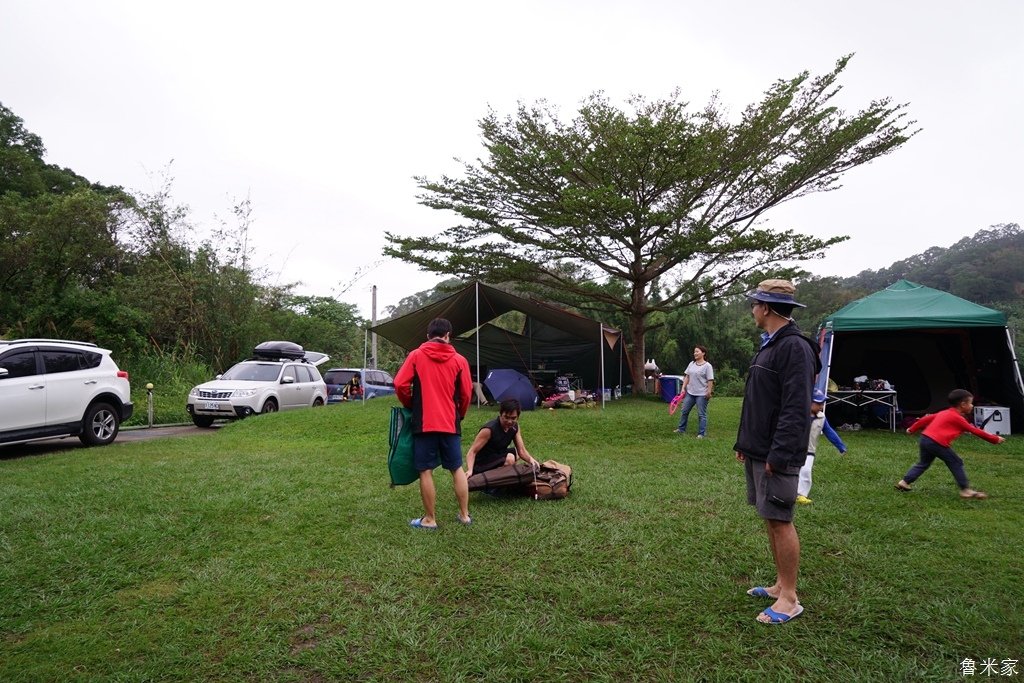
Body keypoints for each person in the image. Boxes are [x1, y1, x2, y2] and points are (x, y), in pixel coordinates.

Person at [734, 278, 820, 625]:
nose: (752, 310)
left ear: (765, 308)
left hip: (777, 453)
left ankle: (790, 598)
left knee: (781, 520)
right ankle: (779, 585)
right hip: (759, 448)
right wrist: (745, 443)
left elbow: (795, 408)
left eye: (754, 304)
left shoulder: (794, 347)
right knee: (770, 517)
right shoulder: (771, 345)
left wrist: (779, 454)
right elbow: (759, 401)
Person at [394, 317, 474, 529]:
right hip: (450, 422)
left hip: (424, 423)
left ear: (428, 336)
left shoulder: (416, 355)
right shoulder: (460, 360)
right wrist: (460, 414)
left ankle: (430, 519)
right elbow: (466, 394)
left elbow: (400, 383)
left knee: (425, 470)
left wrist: (411, 404)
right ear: (448, 336)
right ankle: (464, 515)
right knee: (456, 468)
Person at [896, 389, 1003, 499]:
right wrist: (994, 439)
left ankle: (904, 482)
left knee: (923, 463)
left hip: (925, 439)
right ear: (963, 404)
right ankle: (965, 490)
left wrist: (912, 429)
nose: (972, 406)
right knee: (956, 462)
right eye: (971, 403)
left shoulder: (944, 412)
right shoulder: (958, 418)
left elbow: (926, 419)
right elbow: (975, 430)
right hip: (936, 442)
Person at [464, 398, 541, 477]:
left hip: (497, 454)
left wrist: (532, 461)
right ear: (500, 414)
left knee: (516, 453)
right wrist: (470, 470)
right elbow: (472, 452)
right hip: (482, 463)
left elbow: (521, 451)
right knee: (510, 458)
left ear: (518, 417)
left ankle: (504, 473)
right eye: (506, 417)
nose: (509, 421)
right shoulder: (489, 430)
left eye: (513, 418)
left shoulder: (515, 427)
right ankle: (497, 482)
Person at [796, 388, 847, 504]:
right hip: (794, 449)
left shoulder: (822, 418)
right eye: (818, 403)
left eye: (822, 403)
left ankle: (801, 494)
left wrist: (841, 446)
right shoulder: (798, 415)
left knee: (806, 471)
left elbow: (830, 432)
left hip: (809, 450)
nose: (821, 406)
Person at [673, 345, 715, 438]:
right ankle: (681, 429)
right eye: (694, 352)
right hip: (690, 393)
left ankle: (701, 433)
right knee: (684, 411)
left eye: (697, 351)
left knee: (701, 414)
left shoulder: (707, 366)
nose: (695, 353)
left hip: (702, 394)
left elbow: (710, 380)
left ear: (703, 353)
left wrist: (709, 392)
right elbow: (687, 376)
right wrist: (683, 388)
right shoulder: (691, 364)